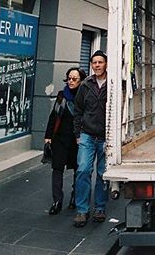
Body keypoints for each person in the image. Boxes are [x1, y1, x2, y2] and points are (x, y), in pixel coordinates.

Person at [73, 50, 109, 227]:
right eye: (94, 62)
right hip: (87, 136)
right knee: (83, 170)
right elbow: (78, 111)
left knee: (103, 174)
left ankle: (100, 208)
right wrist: (78, 134)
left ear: (106, 64)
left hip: (105, 137)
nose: (97, 65)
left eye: (100, 62)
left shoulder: (113, 83)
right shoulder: (85, 85)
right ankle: (82, 210)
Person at [44, 67, 86, 214]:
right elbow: (54, 115)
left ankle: (75, 197)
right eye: (69, 78)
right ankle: (57, 201)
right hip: (60, 139)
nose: (71, 81)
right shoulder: (62, 95)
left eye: (74, 79)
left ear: (81, 80)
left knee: (78, 170)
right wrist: (48, 136)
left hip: (77, 140)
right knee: (57, 168)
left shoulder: (84, 96)